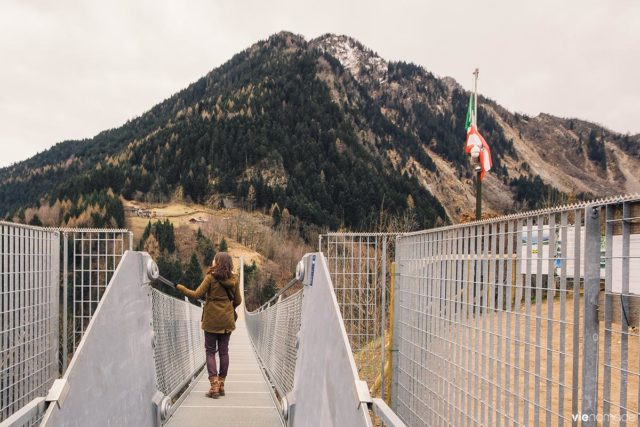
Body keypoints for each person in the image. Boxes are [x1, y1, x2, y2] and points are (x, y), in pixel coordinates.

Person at [176, 252, 241, 399]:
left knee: (210, 351)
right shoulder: (234, 280)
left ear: (217, 262)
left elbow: (195, 294)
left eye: (214, 260)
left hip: (211, 320)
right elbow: (238, 301)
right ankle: (222, 384)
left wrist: (179, 287)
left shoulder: (210, 278)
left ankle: (214, 385)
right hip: (226, 321)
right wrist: (228, 307)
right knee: (224, 351)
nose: (212, 261)